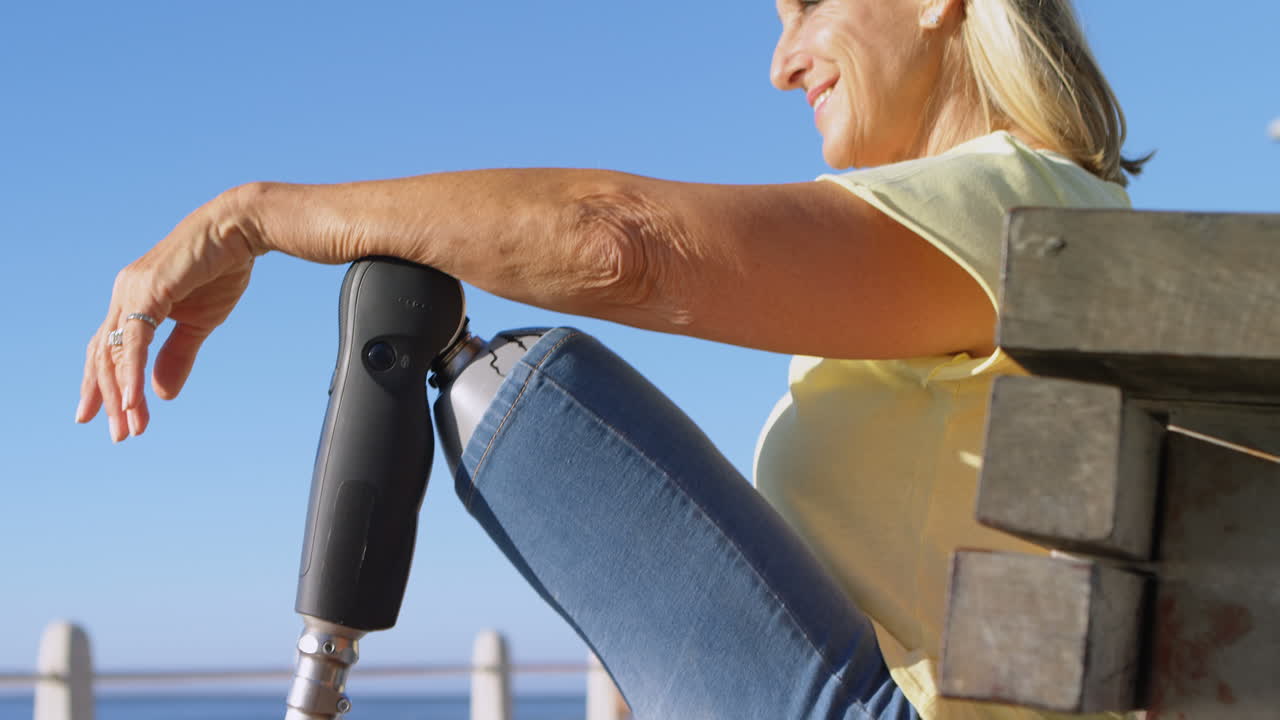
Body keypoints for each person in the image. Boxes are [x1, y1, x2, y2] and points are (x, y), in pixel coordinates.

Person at [76, 1, 1148, 718]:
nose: (780, 64)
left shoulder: (1018, 211)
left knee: (510, 381)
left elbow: (615, 244)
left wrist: (252, 216)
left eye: (808, 4)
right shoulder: (1051, 218)